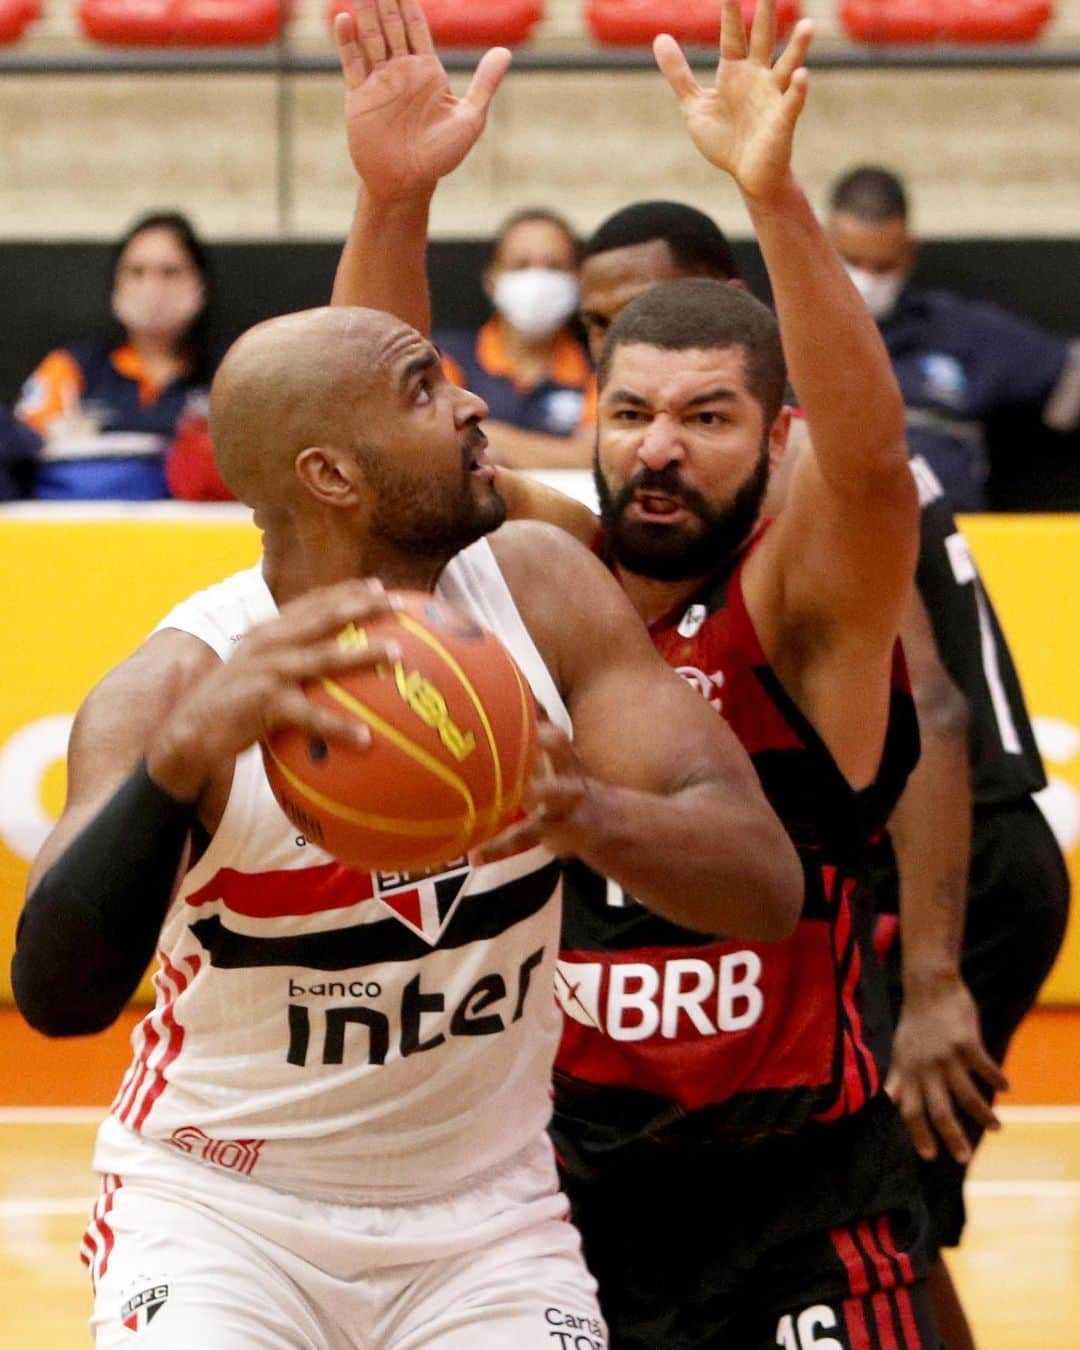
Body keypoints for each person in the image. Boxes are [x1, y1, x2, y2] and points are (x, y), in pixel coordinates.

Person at [11, 171, 806, 1350]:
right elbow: (55, 995)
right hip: (221, 1210)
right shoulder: (178, 686)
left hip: (485, 1224)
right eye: (425, 388)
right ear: (333, 474)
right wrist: (176, 769)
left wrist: (584, 810)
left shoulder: (543, 590)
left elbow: (765, 885)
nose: (476, 401)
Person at [329, 1, 939, 1345]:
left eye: (708, 417)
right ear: (589, 414)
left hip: (791, 1199)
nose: (662, 447)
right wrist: (391, 201)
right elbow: (371, 451)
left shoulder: (800, 603)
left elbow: (873, 458)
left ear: (775, 437)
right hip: (548, 1198)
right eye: (633, 412)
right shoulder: (548, 575)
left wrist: (772, 198)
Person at [827, 164, 1080, 512]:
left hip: (952, 539)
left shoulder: (960, 330)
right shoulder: (782, 335)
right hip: (829, 540)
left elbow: (1069, 375)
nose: (866, 280)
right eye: (852, 261)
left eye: (883, 266)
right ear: (821, 247)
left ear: (909, 253)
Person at [15, 211, 215, 501]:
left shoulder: (229, 372)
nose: (153, 287)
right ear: (116, 284)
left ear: (199, 283)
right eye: (136, 272)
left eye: (170, 272)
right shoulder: (72, 368)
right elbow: (20, 443)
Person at [436, 208, 594, 469]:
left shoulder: (599, 366)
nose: (538, 278)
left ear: (577, 281)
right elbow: (437, 445)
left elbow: (596, 458)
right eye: (521, 265)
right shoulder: (445, 358)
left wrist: (484, 435)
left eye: (554, 266)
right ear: (492, 280)